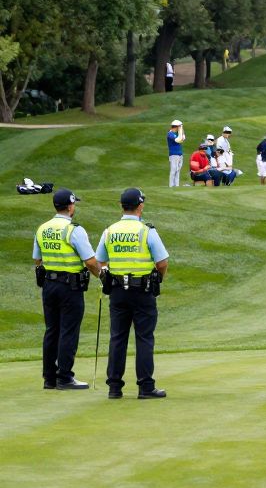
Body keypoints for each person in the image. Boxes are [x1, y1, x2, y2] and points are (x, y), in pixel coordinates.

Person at [97, 188, 170, 399]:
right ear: (140, 206)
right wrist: (159, 277)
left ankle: (114, 387)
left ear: (121, 206)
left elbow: (100, 261)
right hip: (143, 291)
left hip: (118, 291)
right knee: (144, 338)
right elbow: (162, 262)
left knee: (117, 338)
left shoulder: (110, 231)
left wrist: (109, 274)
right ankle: (146, 387)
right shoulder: (146, 231)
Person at [32, 188, 101, 390]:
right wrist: (102, 276)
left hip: (49, 285)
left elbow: (38, 259)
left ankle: (49, 378)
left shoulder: (42, 228)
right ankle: (65, 377)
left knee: (52, 330)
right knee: (68, 331)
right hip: (70, 287)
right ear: (70, 206)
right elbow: (90, 261)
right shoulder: (74, 230)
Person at [167, 120, 185, 188]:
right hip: (174, 154)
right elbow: (178, 140)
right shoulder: (170, 134)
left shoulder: (177, 133)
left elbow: (183, 138)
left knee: (178, 170)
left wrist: (181, 130)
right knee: (173, 169)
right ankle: (171, 185)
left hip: (179, 154)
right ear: (176, 126)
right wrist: (181, 130)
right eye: (179, 127)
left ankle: (176, 185)